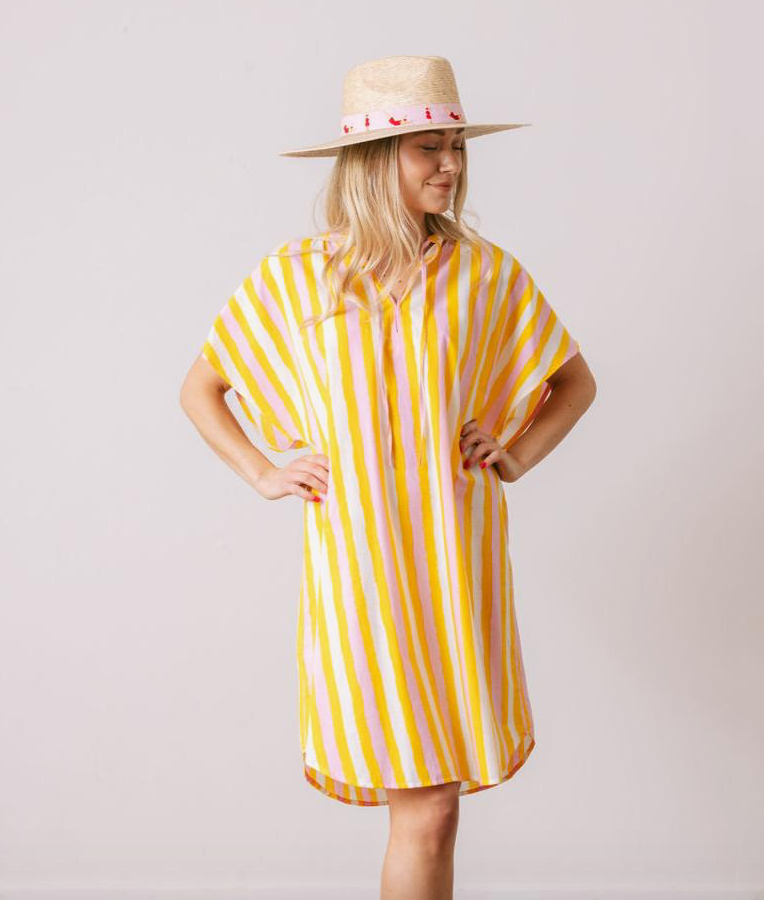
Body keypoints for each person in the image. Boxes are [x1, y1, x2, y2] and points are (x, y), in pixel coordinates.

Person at [180, 55, 596, 900]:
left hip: (457, 566)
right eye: (428, 148)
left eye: (457, 146)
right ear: (374, 161)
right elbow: (203, 388)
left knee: (435, 809)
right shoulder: (295, 276)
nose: (451, 165)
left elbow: (573, 382)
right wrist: (263, 473)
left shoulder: (486, 274)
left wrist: (514, 454)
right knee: (427, 804)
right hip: (360, 573)